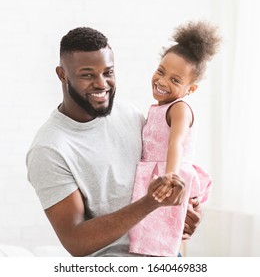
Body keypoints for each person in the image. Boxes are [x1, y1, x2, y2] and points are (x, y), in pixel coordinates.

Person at [26, 27, 202, 257]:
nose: (102, 84)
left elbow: (165, 166)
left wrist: (185, 210)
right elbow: (75, 240)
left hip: (165, 254)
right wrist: (151, 203)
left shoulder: (130, 115)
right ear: (62, 75)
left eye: (108, 72)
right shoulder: (48, 149)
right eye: (87, 74)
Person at [129, 20, 222, 256]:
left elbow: (176, 142)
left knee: (163, 243)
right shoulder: (160, 107)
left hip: (168, 176)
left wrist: (169, 176)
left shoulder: (180, 108)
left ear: (191, 89)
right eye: (161, 71)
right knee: (147, 239)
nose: (162, 81)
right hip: (155, 175)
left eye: (175, 80)